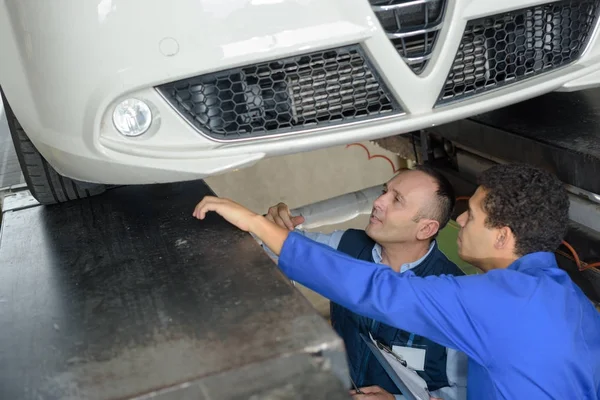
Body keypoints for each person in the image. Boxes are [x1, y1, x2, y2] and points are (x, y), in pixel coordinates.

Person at [192, 163, 600, 399]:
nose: (458, 221)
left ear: (503, 237)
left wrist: (253, 222)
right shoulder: (572, 301)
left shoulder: (499, 299)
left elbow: (378, 291)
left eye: (471, 215)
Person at [261, 166, 468, 400]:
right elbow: (278, 249)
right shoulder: (347, 246)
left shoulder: (456, 295)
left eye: (397, 199)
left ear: (425, 229)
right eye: (384, 191)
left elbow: (462, 393)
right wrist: (271, 224)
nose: (378, 201)